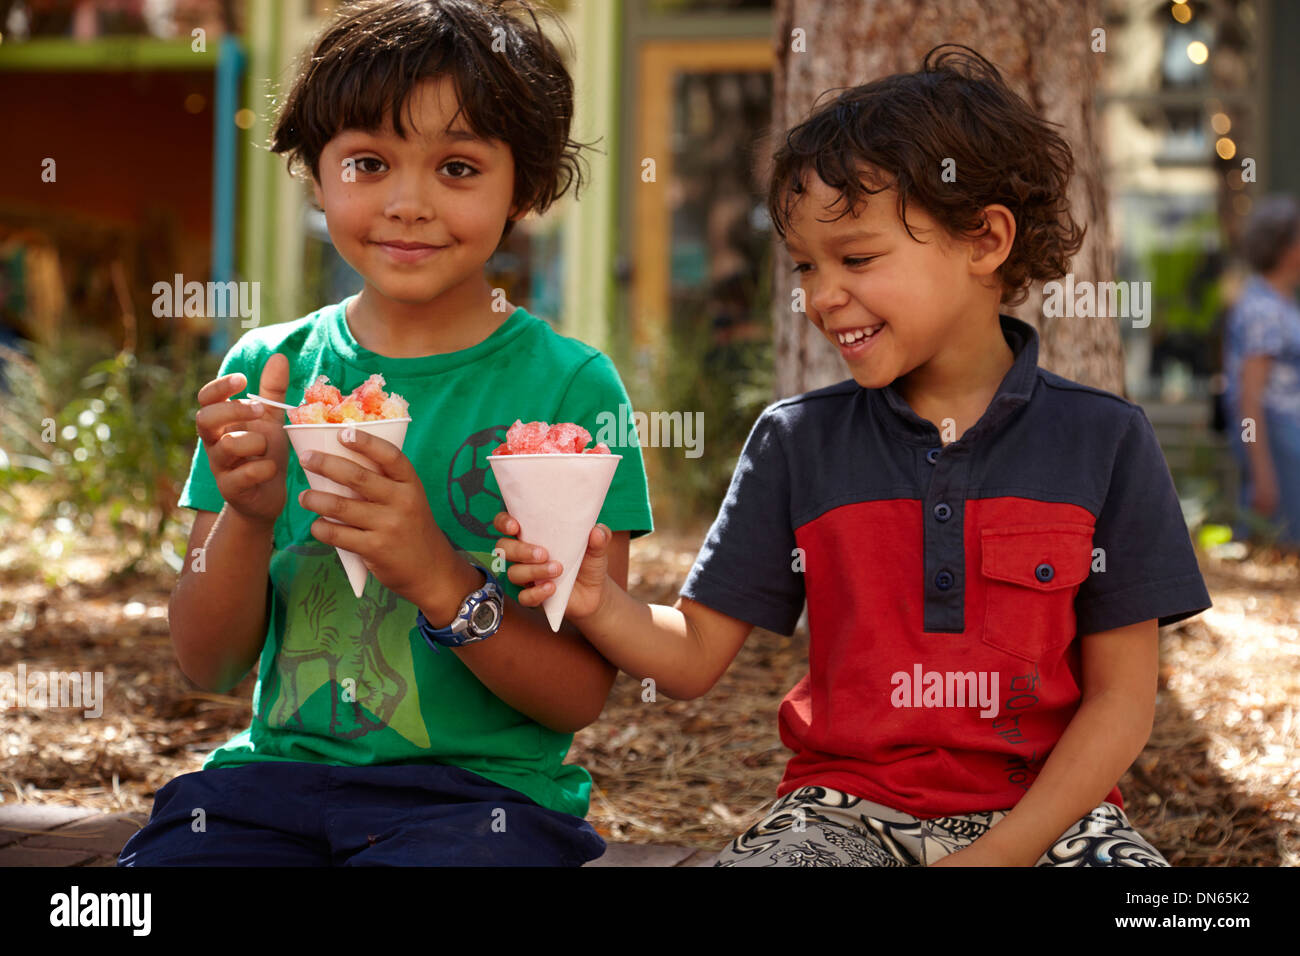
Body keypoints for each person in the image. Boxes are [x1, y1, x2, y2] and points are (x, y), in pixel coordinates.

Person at [496, 45, 1212, 867]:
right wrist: (595, 602)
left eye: (857, 258)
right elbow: (692, 656)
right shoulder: (796, 442)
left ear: (985, 240)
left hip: (1053, 823)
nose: (821, 295)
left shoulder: (1106, 440)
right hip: (840, 818)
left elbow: (1123, 702)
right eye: (805, 265)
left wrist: (1003, 853)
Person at [118, 0, 653, 867]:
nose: (408, 204)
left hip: (482, 803)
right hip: (269, 789)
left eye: (457, 167)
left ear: (527, 186)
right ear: (316, 175)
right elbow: (205, 662)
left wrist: (438, 577)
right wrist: (249, 517)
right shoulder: (268, 373)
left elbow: (576, 694)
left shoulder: (569, 389)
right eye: (368, 162)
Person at [1222, 195, 1300, 551]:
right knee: (1278, 542)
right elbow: (1249, 395)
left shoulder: (1279, 303)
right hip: (1279, 443)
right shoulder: (1263, 308)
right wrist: (1262, 472)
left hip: (1287, 440)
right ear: (1285, 247)